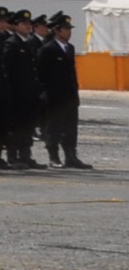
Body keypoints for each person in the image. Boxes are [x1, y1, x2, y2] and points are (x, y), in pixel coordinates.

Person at [45, 14, 87, 168]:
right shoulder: (48, 48)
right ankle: (53, 156)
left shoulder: (69, 48)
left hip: (69, 97)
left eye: (70, 29)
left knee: (70, 128)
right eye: (66, 29)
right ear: (56, 30)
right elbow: (43, 74)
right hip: (55, 97)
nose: (69, 32)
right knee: (54, 127)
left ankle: (71, 156)